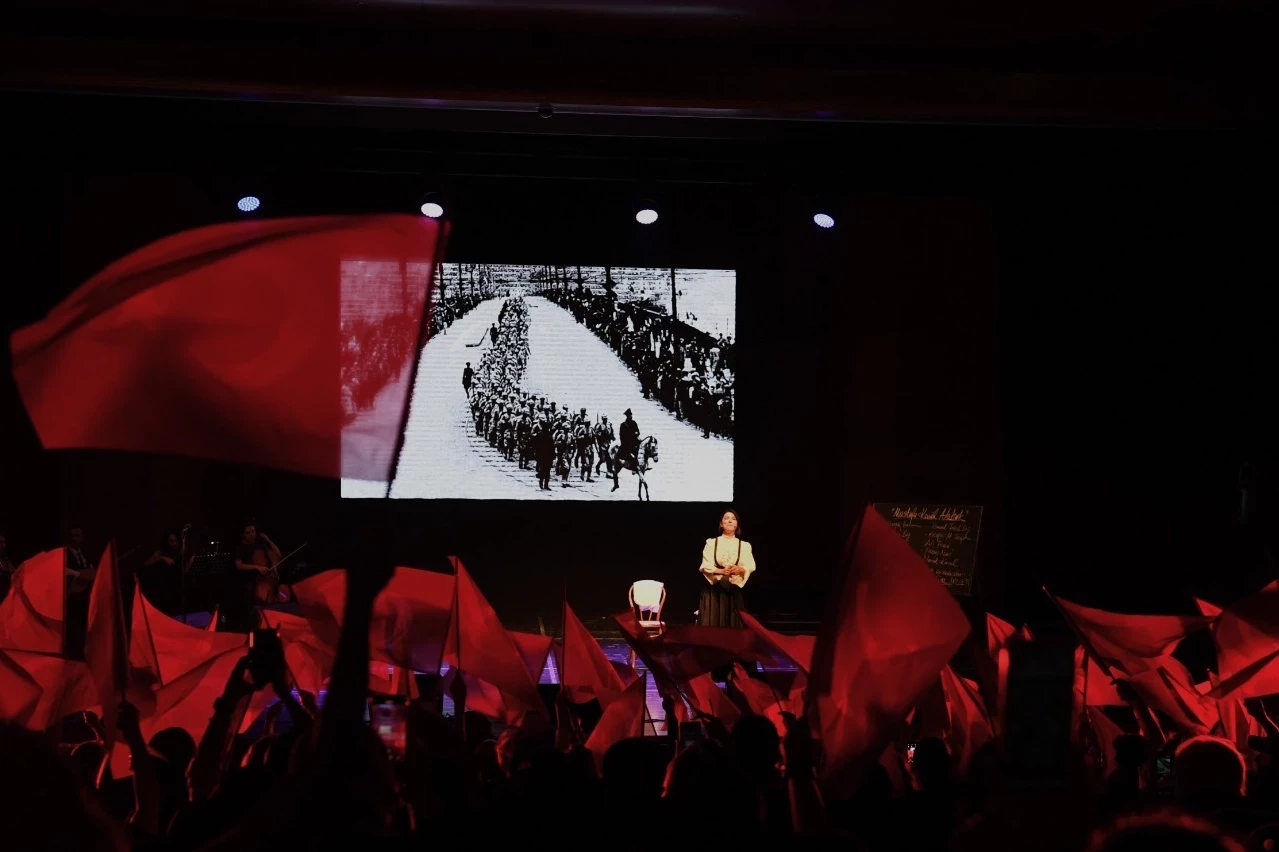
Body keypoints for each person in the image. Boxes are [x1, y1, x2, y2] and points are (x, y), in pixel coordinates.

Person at [698, 510, 755, 628]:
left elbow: (750, 565)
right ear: (721, 523)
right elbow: (705, 565)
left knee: (733, 625)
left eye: (733, 519)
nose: (730, 521)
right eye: (726, 518)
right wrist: (721, 571)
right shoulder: (711, 542)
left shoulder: (744, 545)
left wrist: (739, 569)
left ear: (737, 525)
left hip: (733, 589)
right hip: (714, 590)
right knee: (712, 624)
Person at [231, 521, 283, 627]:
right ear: (242, 535)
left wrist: (268, 540)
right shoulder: (240, 547)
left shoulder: (260, 544)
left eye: (253, 531)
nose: (252, 534)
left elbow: (278, 554)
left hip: (263, 581)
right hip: (248, 582)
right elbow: (238, 565)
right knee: (251, 609)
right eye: (248, 532)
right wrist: (256, 567)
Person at [64, 525, 94, 659]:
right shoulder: (64, 553)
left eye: (77, 535)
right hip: (72, 596)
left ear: (82, 538)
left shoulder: (85, 554)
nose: (74, 538)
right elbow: (62, 569)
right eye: (72, 535)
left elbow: (92, 570)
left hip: (85, 595)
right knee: (74, 627)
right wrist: (80, 574)